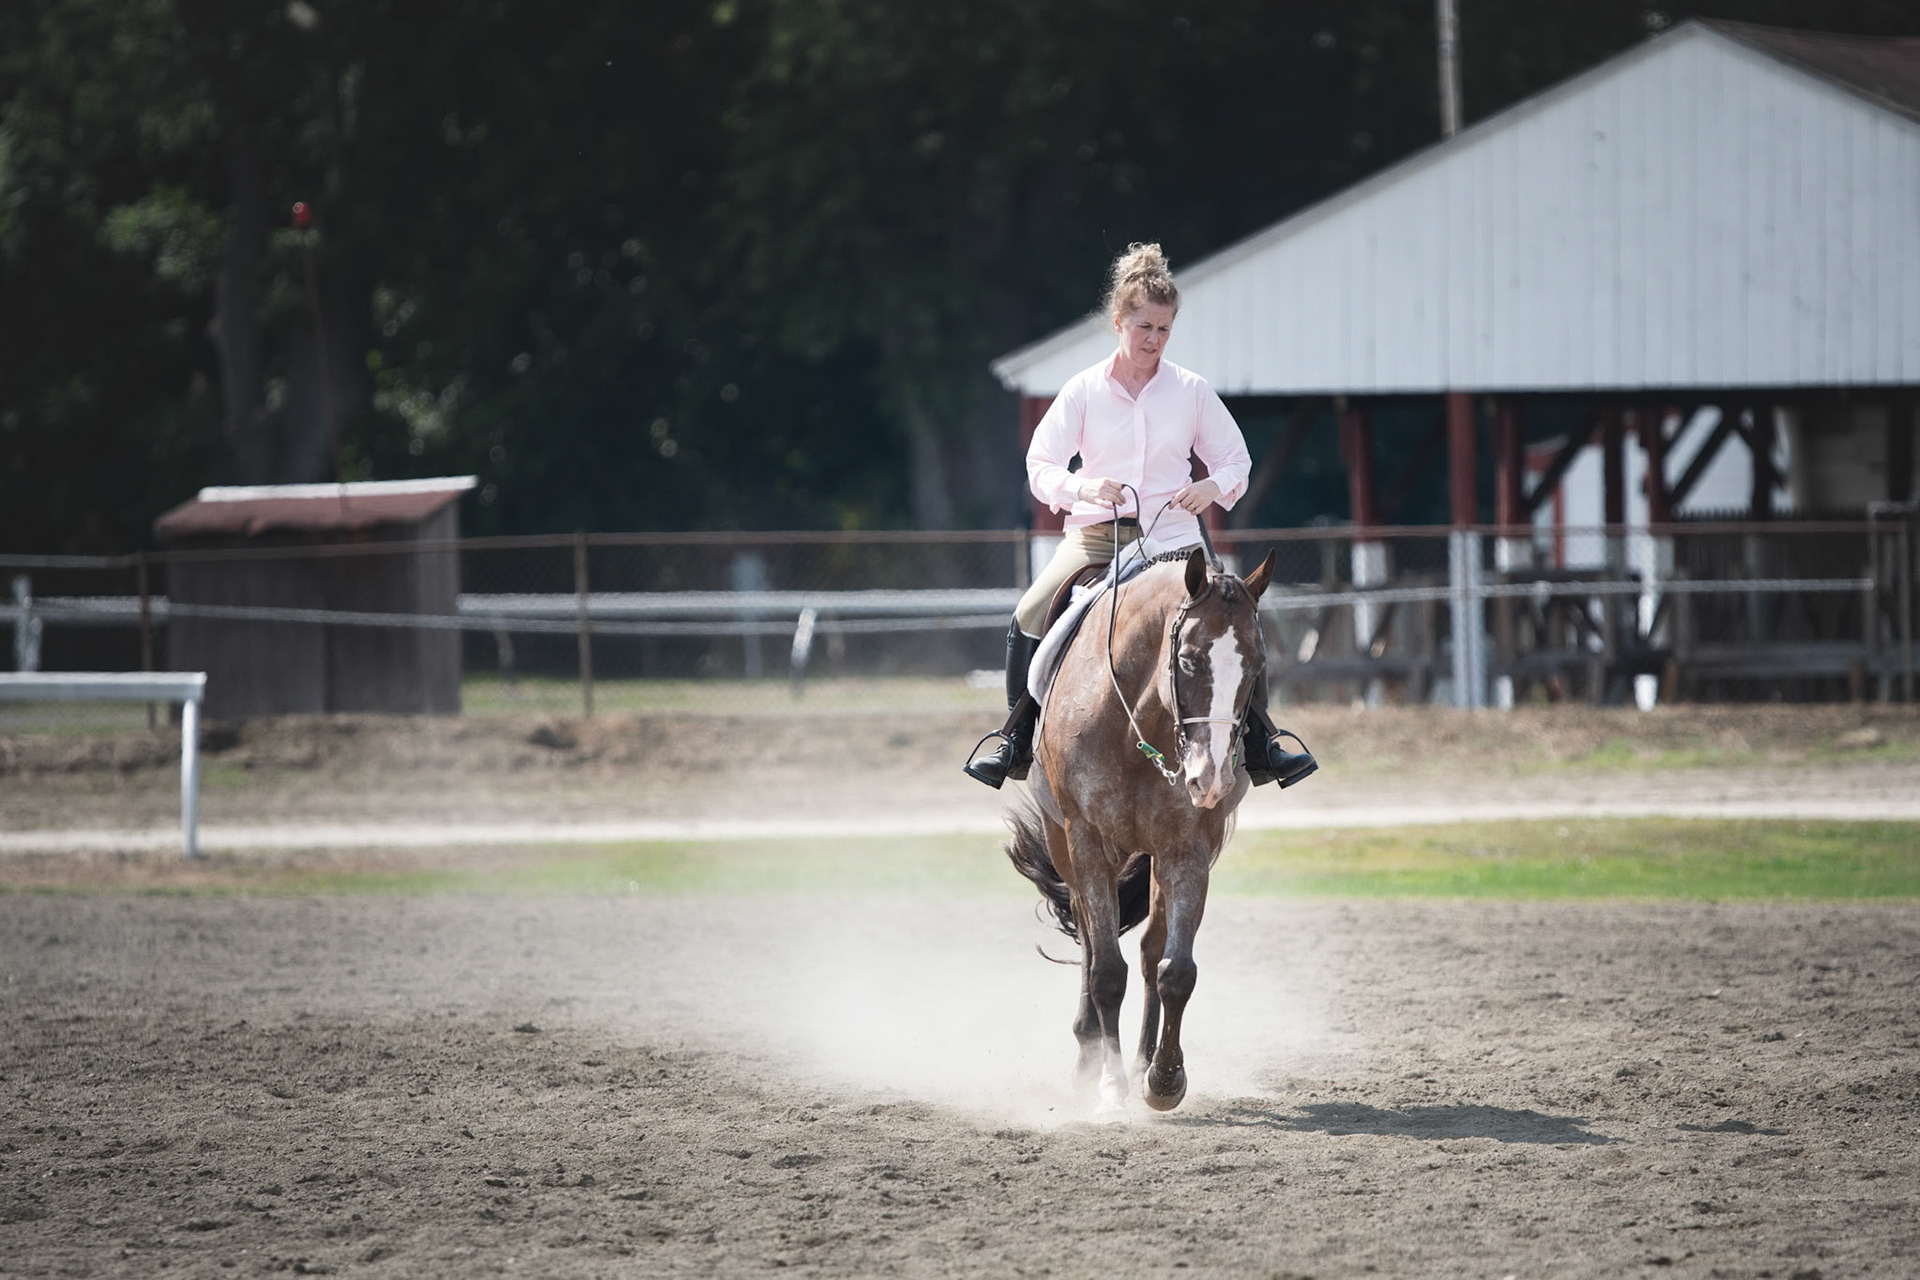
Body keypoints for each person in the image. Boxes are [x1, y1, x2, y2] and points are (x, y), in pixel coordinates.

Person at [964, 243, 1317, 791]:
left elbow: (1236, 461)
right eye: (1144, 326)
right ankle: (1014, 739)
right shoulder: (1082, 390)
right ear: (1118, 322)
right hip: (1096, 539)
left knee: (1234, 619)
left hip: (1173, 541)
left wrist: (1211, 486)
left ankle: (1262, 743)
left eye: (1164, 329)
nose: (1153, 339)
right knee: (1031, 611)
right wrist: (1083, 486)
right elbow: (1040, 465)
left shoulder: (1192, 390)